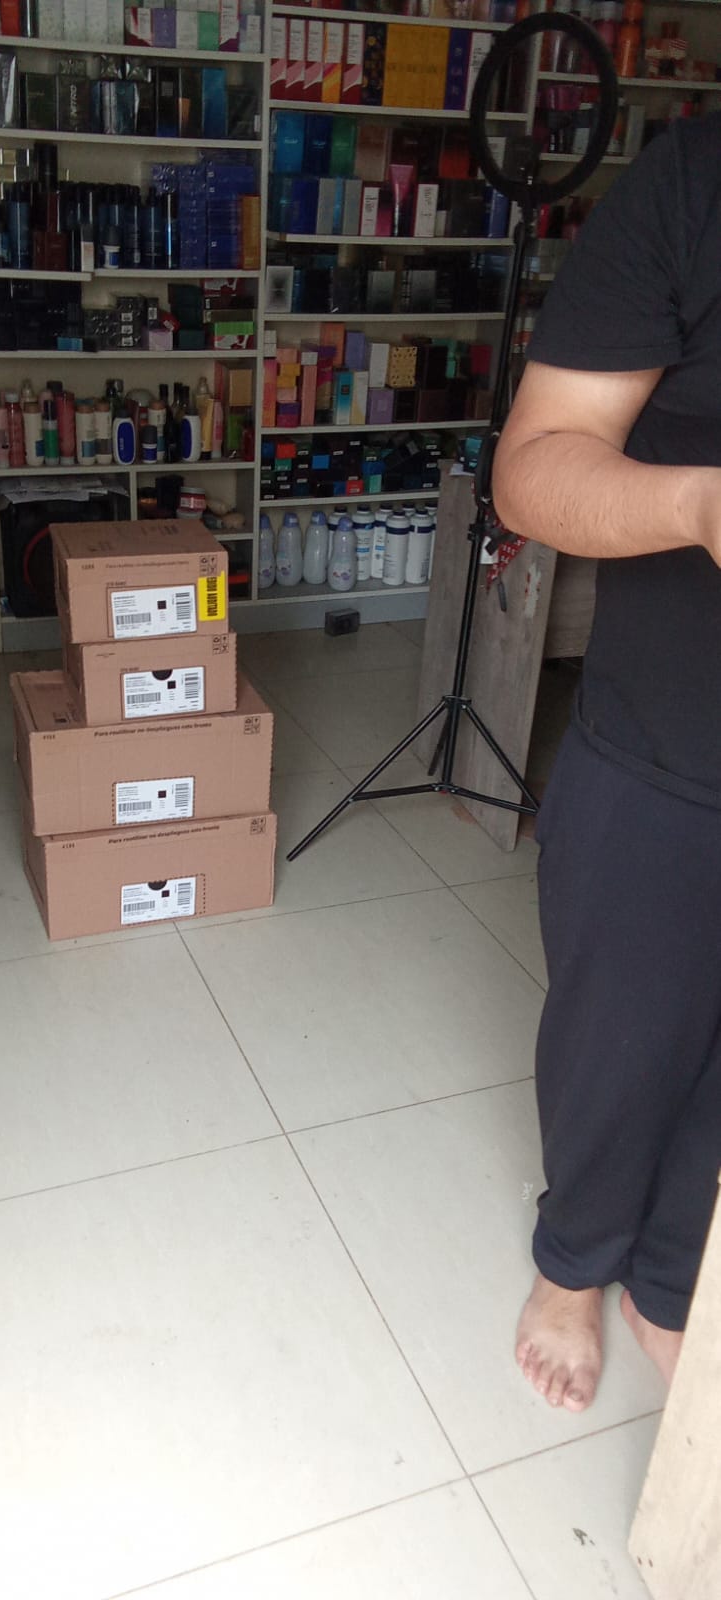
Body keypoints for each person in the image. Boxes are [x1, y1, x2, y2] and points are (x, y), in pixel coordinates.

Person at [492, 110, 721, 1413]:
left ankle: (674, 1281)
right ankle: (573, 1267)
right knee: (620, 1039)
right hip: (672, 741)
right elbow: (531, 476)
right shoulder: (695, 187)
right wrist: (696, 500)